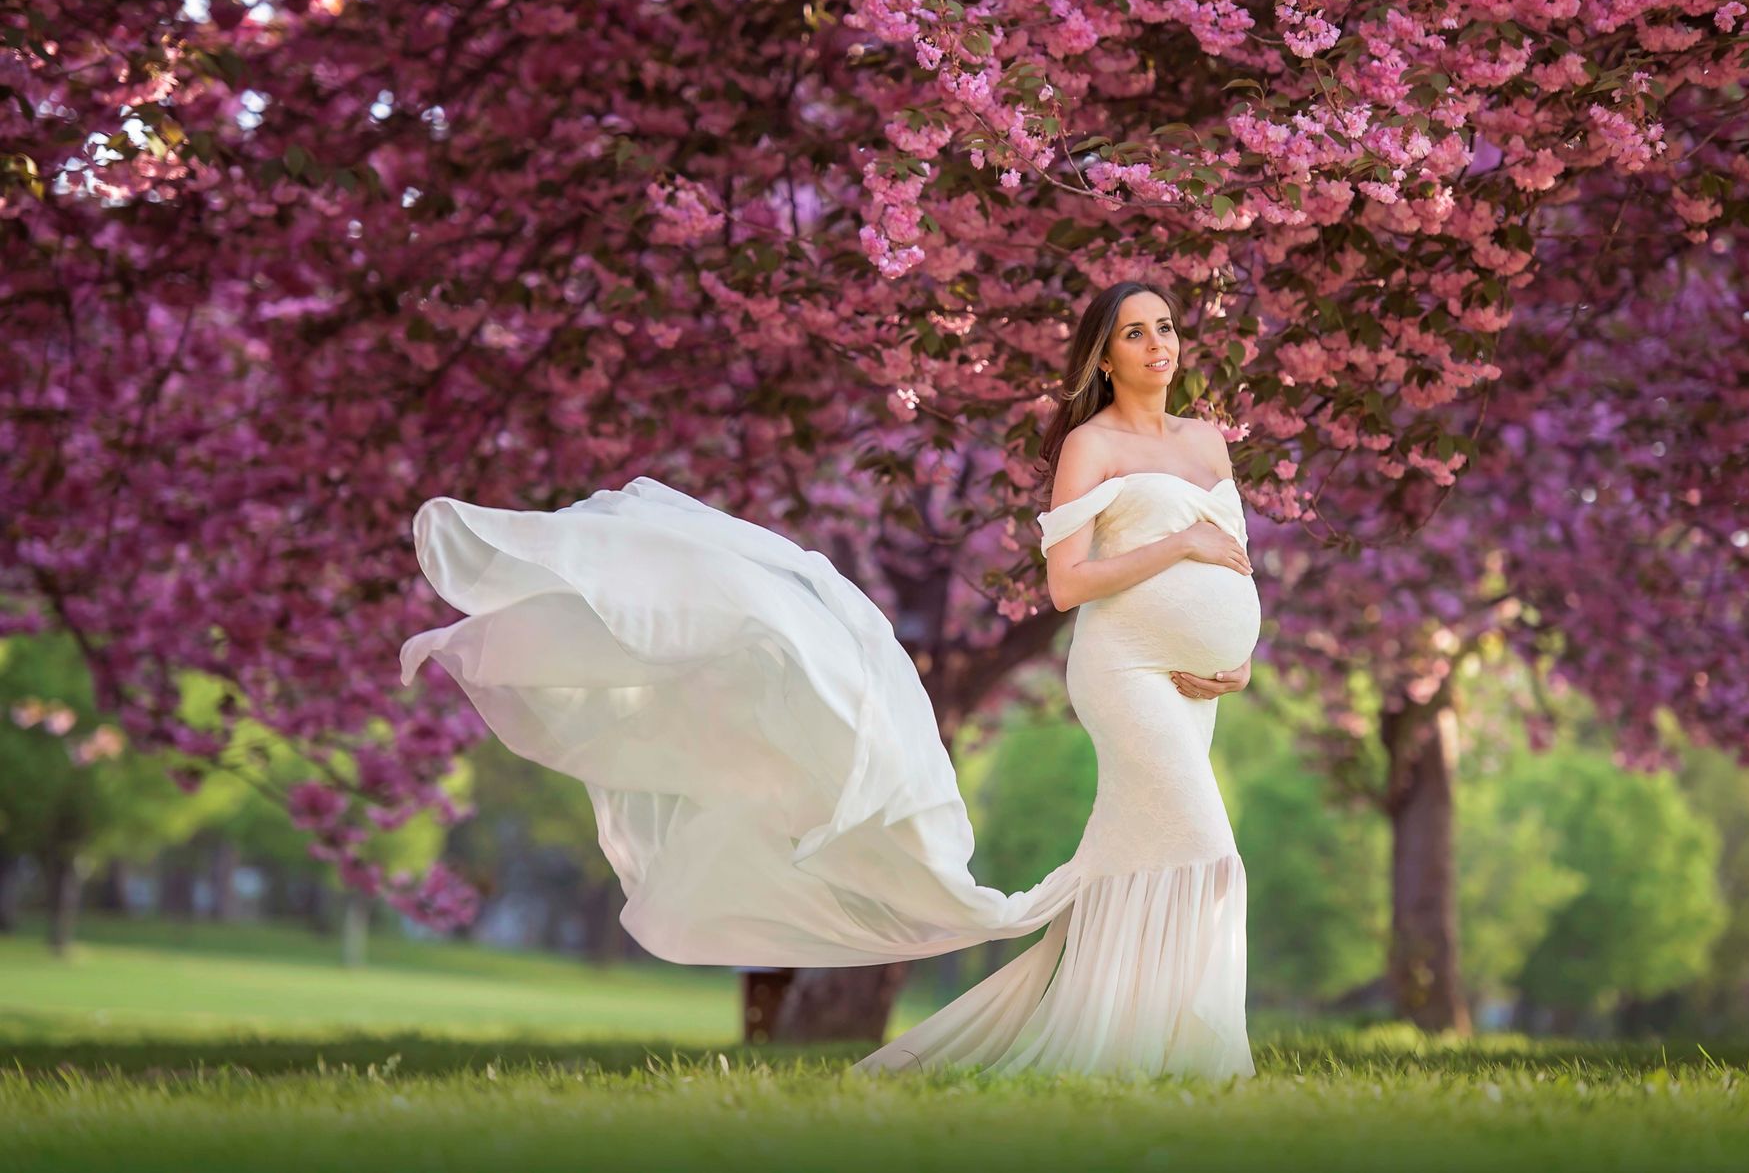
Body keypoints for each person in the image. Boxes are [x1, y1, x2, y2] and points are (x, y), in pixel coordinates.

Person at [398, 278, 1261, 1079]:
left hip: (1198, 684)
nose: (1159, 345)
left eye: (1168, 329)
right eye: (1134, 333)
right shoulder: (1091, 444)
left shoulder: (1206, 439)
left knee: (1148, 855)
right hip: (1126, 673)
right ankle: (1206, 1047)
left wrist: (1239, 650)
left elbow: (1238, 558)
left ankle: (1141, 1043)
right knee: (1206, 851)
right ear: (1104, 357)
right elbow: (1068, 582)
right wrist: (1177, 546)